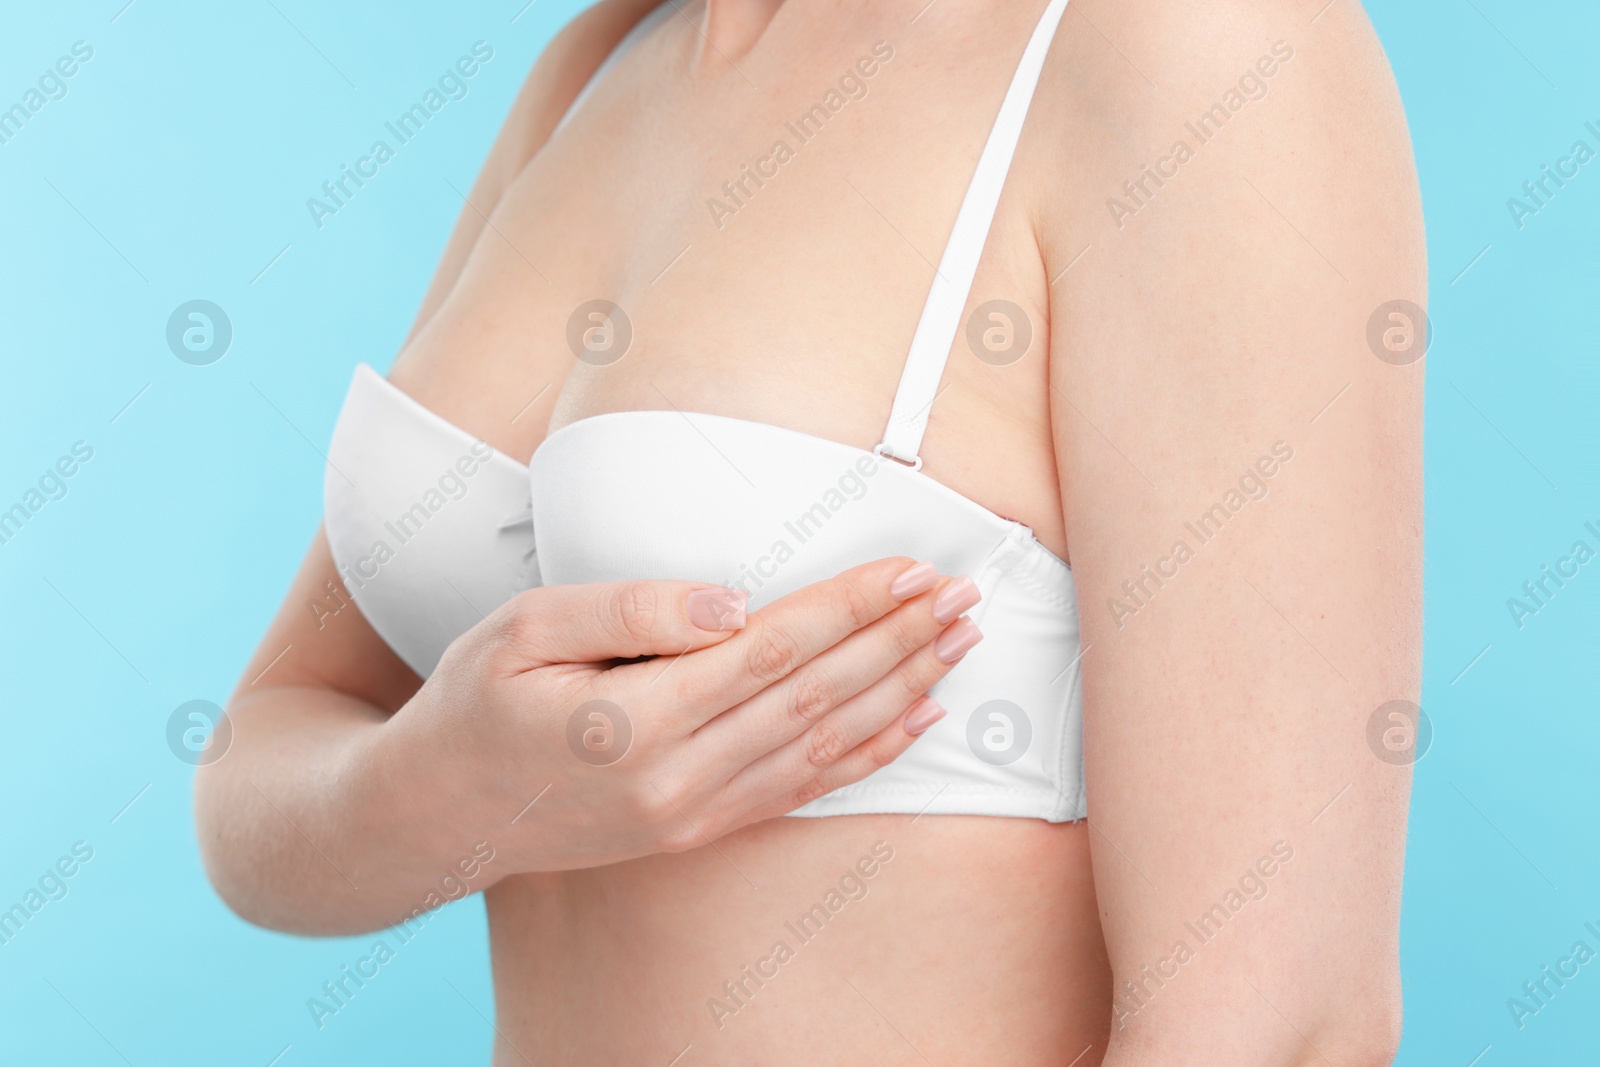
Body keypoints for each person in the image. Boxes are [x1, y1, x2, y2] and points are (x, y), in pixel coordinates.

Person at [196, 0, 1425, 1062]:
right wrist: (456, 787)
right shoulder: (592, 73)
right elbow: (257, 767)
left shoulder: (1182, 47)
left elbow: (1288, 1026)